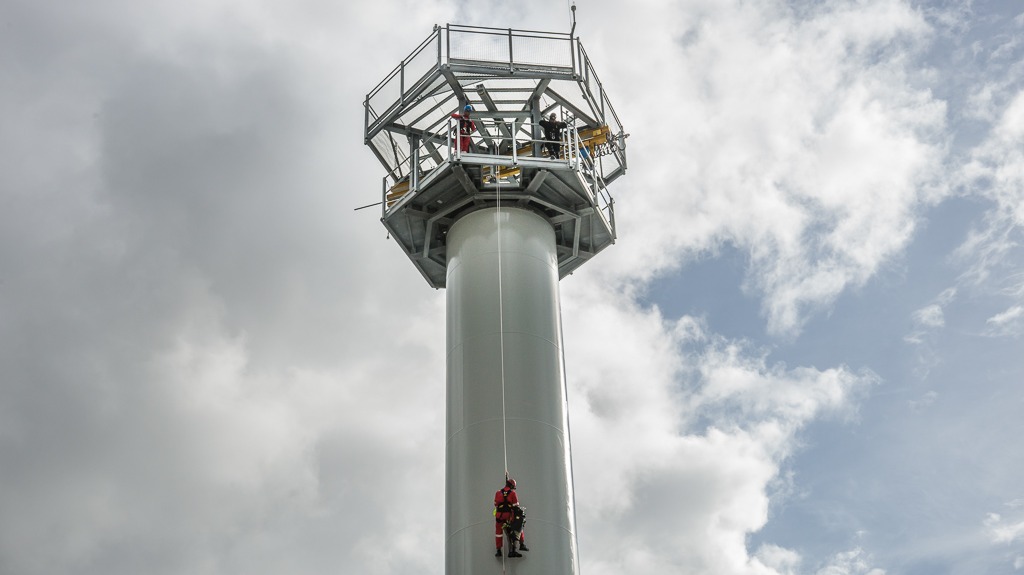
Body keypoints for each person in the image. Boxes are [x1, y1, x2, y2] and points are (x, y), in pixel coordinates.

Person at [494, 477, 528, 557]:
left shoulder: (498, 493)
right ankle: (518, 547)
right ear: (512, 486)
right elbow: (515, 506)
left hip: (499, 516)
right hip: (508, 516)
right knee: (517, 528)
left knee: (498, 533)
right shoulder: (512, 493)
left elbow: (496, 504)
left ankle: (498, 551)